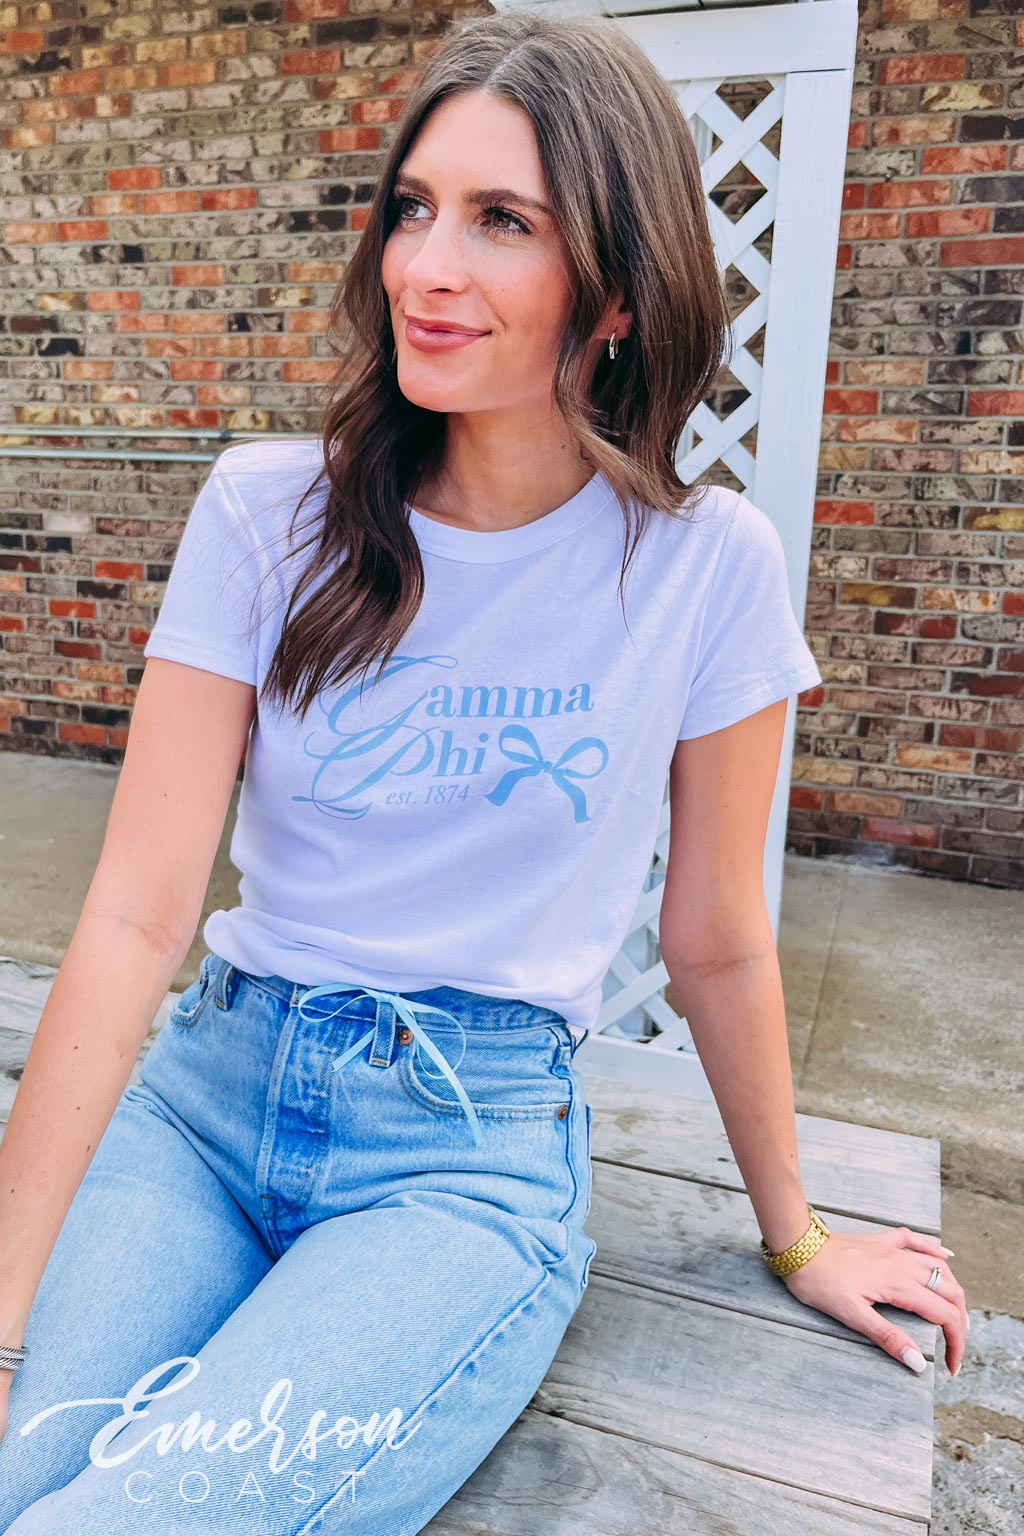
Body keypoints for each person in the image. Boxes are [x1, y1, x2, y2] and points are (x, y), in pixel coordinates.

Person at [0, 11, 967, 1533]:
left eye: (501, 221)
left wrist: (797, 1236)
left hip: (463, 1159)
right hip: (204, 1102)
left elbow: (718, 937)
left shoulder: (704, 567)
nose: (424, 267)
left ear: (621, 291)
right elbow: (133, 916)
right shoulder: (267, 515)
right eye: (414, 207)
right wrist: (2, 1324)